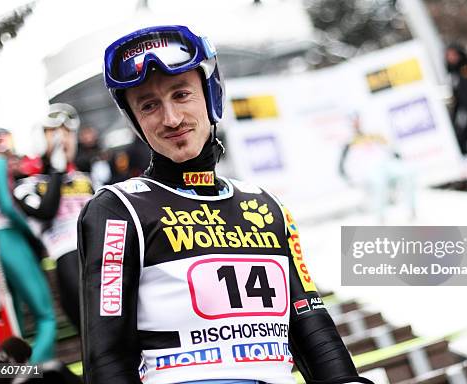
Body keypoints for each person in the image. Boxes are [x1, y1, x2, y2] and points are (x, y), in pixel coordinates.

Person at [78, 25, 373, 384]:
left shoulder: (265, 205)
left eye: (181, 94)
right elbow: (106, 357)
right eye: (149, 105)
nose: (170, 119)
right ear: (135, 119)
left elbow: (309, 320)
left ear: (210, 95)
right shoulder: (118, 210)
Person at [12, 103, 93, 330]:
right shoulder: (27, 185)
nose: (62, 139)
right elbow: (46, 211)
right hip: (66, 258)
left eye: (68, 133)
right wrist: (56, 169)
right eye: (54, 133)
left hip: (100, 255)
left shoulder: (86, 178)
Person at [0, 127, 56, 363]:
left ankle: (9, 375)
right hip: (8, 236)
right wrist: (31, 232)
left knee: (13, 322)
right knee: (46, 316)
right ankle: (30, 374)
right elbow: (7, 205)